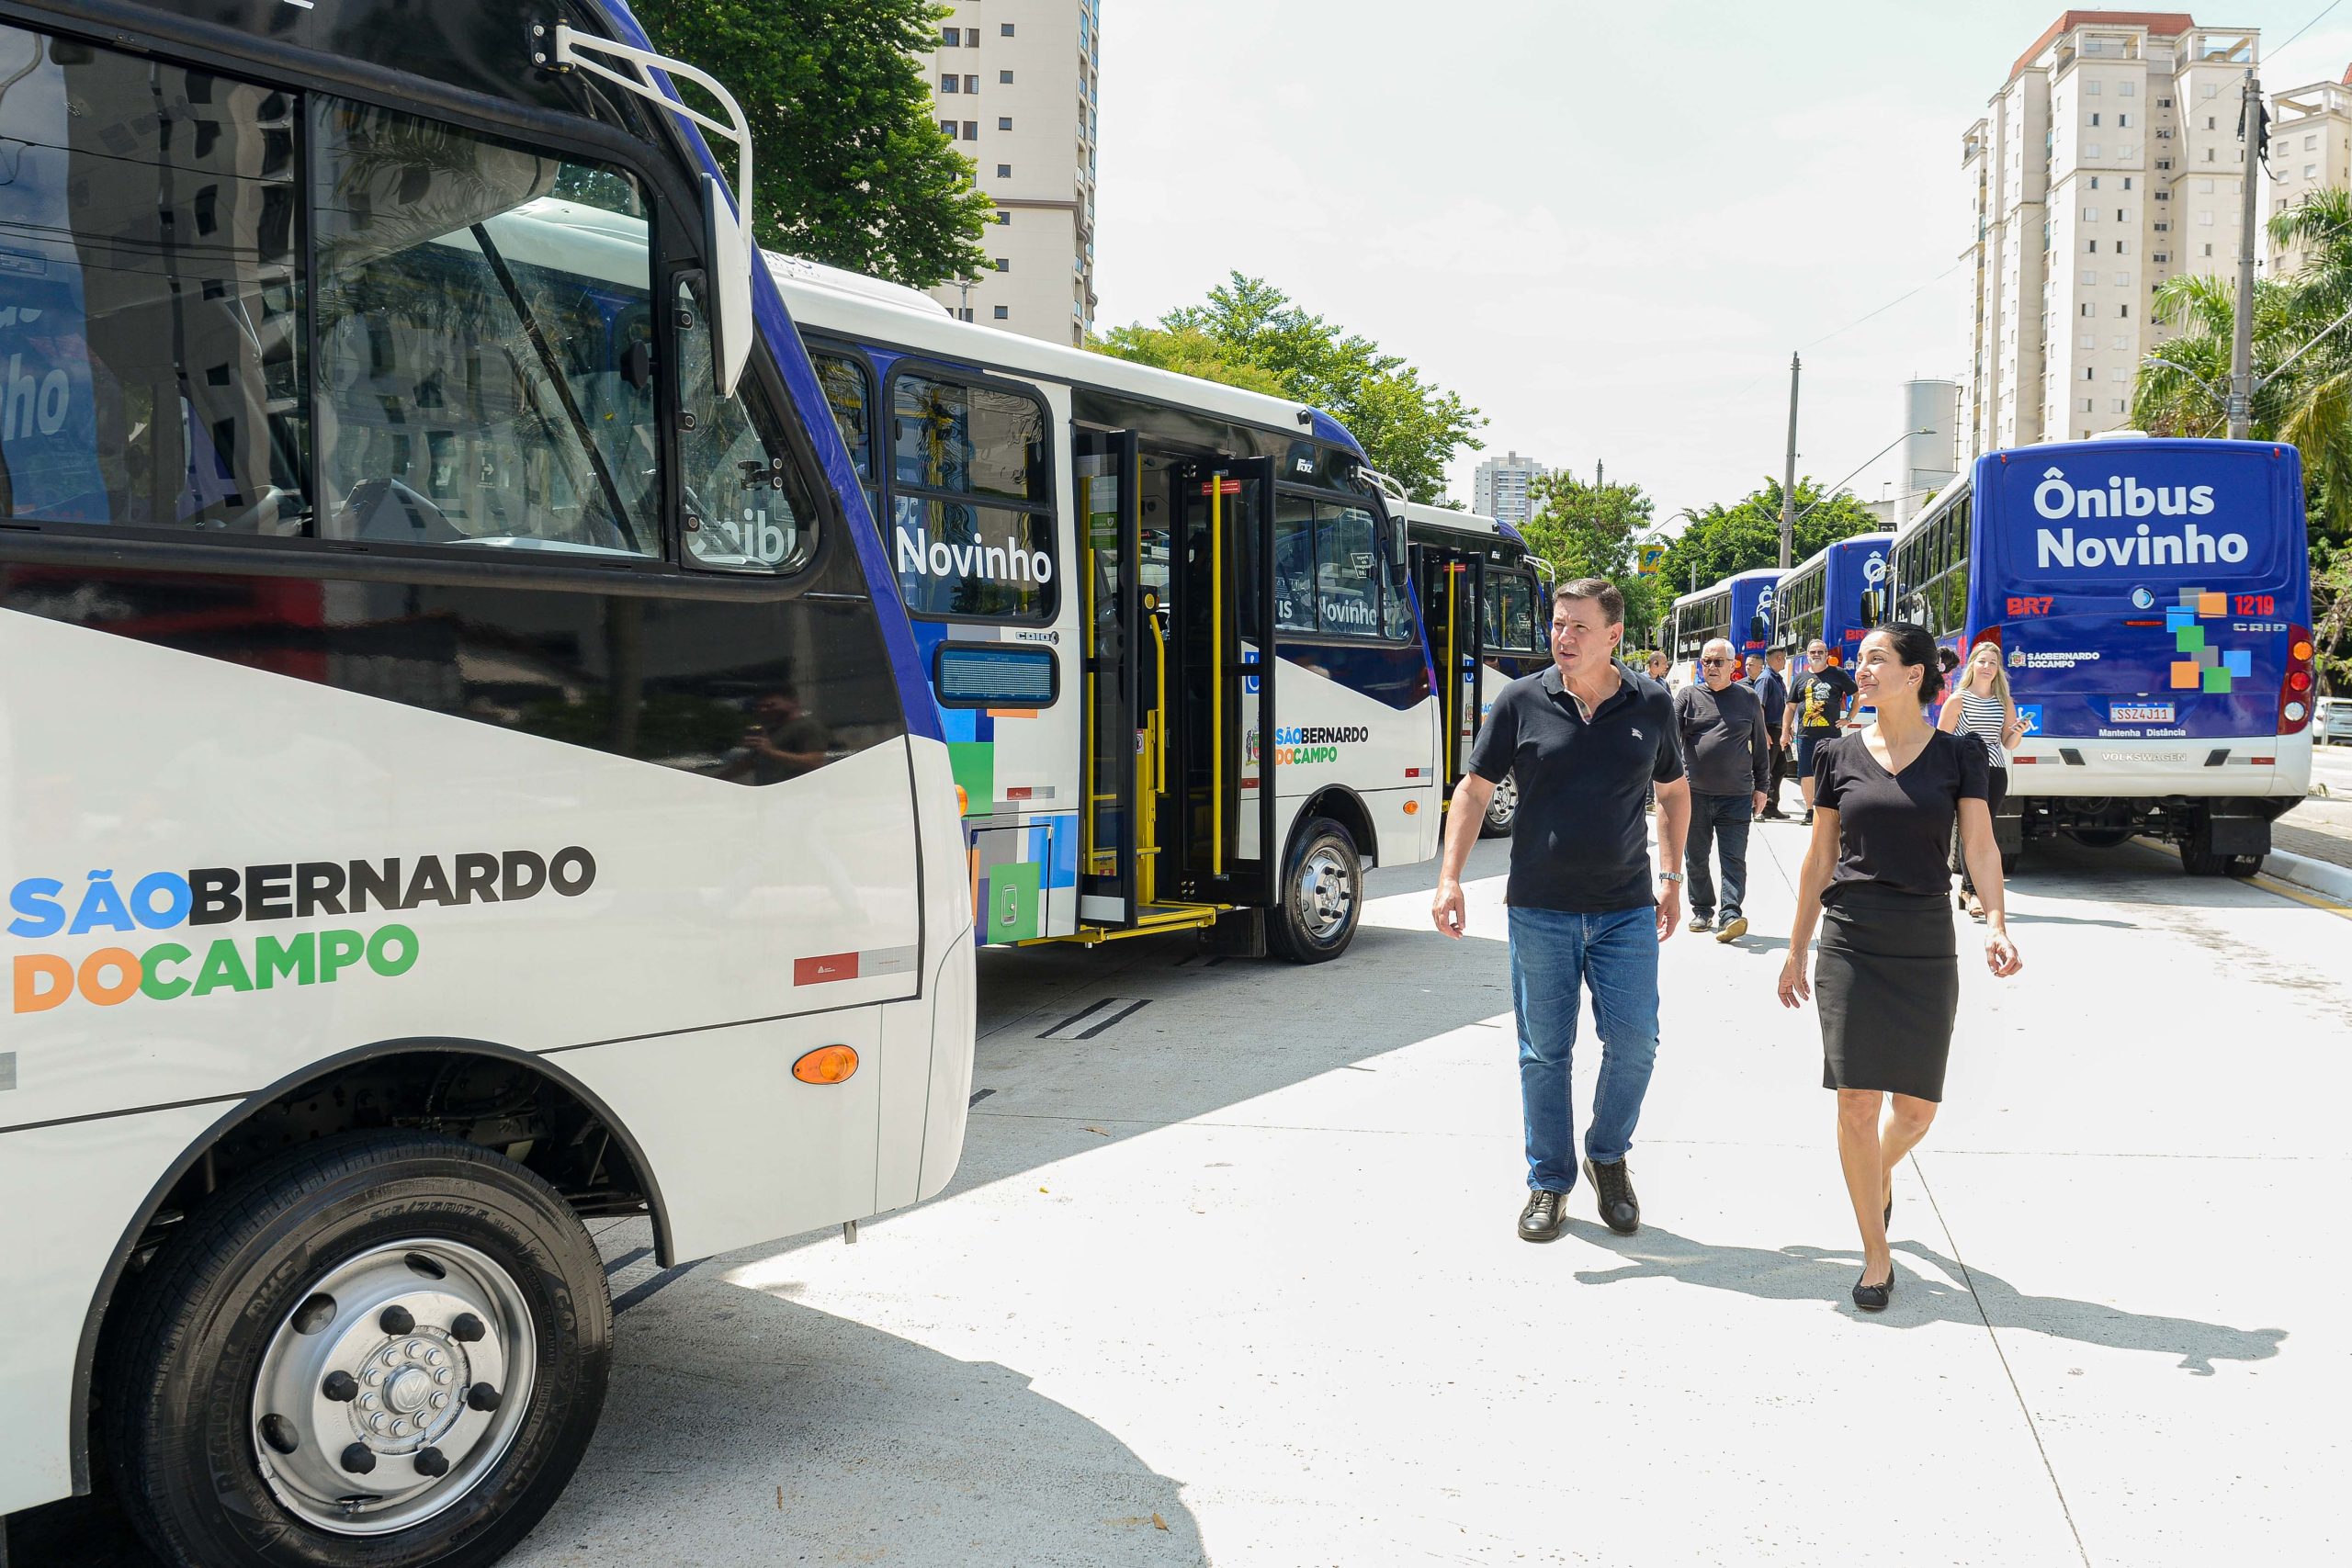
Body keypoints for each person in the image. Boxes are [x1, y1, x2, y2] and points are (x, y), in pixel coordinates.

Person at [1432, 579, 1690, 1244]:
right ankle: (1548, 1180)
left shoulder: (1652, 703)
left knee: (1636, 1043)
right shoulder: (1520, 700)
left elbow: (1674, 791)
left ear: (1614, 636)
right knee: (1544, 1052)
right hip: (1540, 909)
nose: (1563, 636)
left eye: (1578, 626)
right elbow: (1474, 788)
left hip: (1625, 910)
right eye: (1557, 624)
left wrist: (1671, 874)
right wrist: (1449, 877)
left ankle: (1607, 1154)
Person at [1776, 624, 2022, 1311]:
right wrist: (1797, 947)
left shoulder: (1958, 755)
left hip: (1923, 936)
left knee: (1914, 1110)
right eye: (1860, 661)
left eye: (1875, 658)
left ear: (1914, 674)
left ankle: (1875, 1173)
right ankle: (1876, 1255)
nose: (1861, 669)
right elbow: (1819, 858)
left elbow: (1978, 843)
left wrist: (1996, 922)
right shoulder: (1836, 754)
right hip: (1851, 936)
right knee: (1857, 1101)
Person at [1675, 639, 1770, 942]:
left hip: (1737, 795)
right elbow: (1667, 740)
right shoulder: (1687, 696)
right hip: (1695, 795)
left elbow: (1760, 746)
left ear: (1733, 665)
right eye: (1706, 662)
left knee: (1733, 859)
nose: (1711, 667)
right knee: (1696, 858)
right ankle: (1702, 910)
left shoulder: (1748, 698)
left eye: (1718, 662)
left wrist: (1763, 787)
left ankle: (1731, 914)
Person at [1938, 641, 2027, 921]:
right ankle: (1970, 891)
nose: (1987, 667)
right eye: (1982, 661)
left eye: (1992, 663)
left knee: (1984, 831)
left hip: (1995, 772)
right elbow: (1942, 740)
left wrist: (2019, 731)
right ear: (1972, 665)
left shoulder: (2004, 701)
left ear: (1998, 669)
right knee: (1970, 830)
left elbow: (2007, 743)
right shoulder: (1958, 698)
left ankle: (1971, 892)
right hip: (1966, 772)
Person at [1786, 638, 1857, 827]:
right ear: (1808, 655)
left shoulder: (1837, 674)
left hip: (1830, 735)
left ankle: (1830, 810)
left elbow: (1857, 695)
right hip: (1805, 735)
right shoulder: (1800, 678)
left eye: (1820, 652)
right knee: (1806, 774)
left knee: (1830, 773)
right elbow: (1791, 707)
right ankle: (1810, 810)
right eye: (1813, 652)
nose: (1816, 655)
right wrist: (1785, 730)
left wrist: (1849, 718)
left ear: (1827, 655)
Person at [1749, 650, 1791, 818]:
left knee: (1779, 769)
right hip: (1769, 729)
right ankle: (1757, 808)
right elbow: (1759, 707)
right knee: (1763, 770)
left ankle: (1772, 806)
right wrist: (1763, 732)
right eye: (1785, 658)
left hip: (1779, 729)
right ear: (1779, 658)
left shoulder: (1776, 678)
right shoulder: (1766, 678)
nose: (1785, 662)